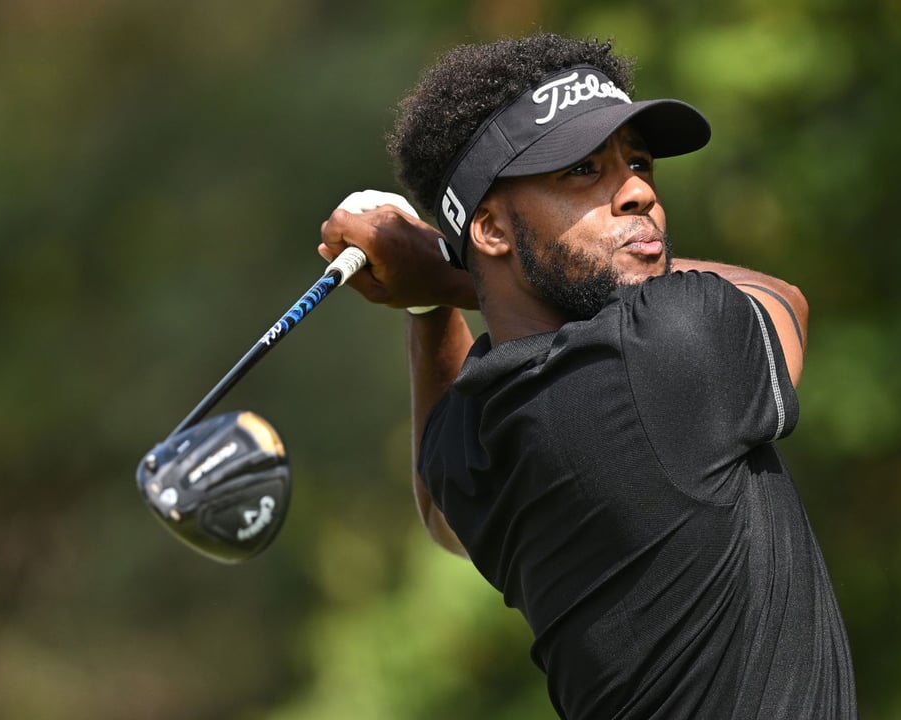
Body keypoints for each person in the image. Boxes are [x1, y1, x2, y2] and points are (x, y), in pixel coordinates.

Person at [318, 33, 857, 719]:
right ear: (490, 228)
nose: (636, 191)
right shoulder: (669, 346)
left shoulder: (472, 433)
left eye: (638, 162)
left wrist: (432, 302)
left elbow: (440, 513)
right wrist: (448, 279)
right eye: (581, 170)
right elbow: (783, 300)